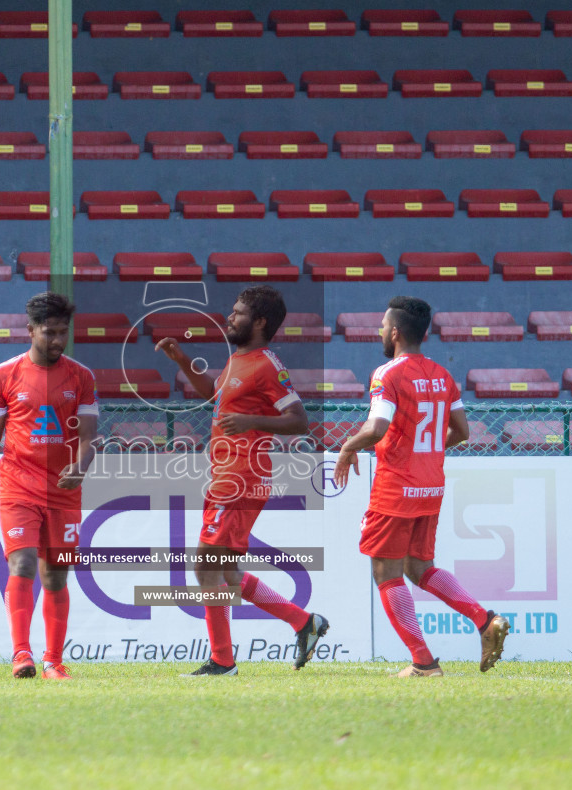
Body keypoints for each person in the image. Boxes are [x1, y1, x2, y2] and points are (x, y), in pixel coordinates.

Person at [155, 285, 328, 676]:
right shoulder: (239, 359)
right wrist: (182, 360)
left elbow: (299, 420)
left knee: (205, 568)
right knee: (227, 572)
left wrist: (252, 422)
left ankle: (222, 660)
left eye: (237, 313)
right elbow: (213, 395)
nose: (229, 317)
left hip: (240, 478)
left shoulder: (267, 364)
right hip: (226, 476)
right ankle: (304, 622)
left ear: (260, 321)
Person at [332, 296, 510, 677]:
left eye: (382, 325)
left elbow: (377, 427)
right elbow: (462, 432)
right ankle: (484, 620)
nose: (380, 331)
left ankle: (423, 662)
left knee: (387, 573)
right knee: (419, 567)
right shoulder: (443, 375)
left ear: (395, 332)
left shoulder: (387, 374)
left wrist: (347, 447)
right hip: (430, 486)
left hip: (396, 487)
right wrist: (424, 450)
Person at [0, 292, 97, 680]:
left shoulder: (82, 377)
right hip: (19, 486)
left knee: (56, 574)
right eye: (49, 332)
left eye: (63, 332)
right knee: (22, 563)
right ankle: (21, 654)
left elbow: (90, 439)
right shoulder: (3, 374)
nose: (58, 340)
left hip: (63, 489)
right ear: (30, 331)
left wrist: (81, 465)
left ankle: (54, 661)